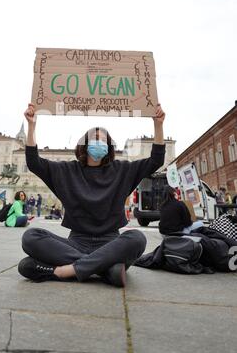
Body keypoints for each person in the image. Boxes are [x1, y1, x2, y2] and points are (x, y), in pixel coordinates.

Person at [18, 102, 166, 288]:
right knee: (31, 236)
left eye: (104, 140)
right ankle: (104, 269)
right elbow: (34, 163)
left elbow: (156, 160)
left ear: (109, 147)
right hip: (76, 243)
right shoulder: (67, 171)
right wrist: (31, 125)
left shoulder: (122, 170)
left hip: (111, 243)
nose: (100, 142)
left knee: (137, 238)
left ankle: (66, 270)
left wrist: (158, 125)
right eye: (95, 138)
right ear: (85, 144)